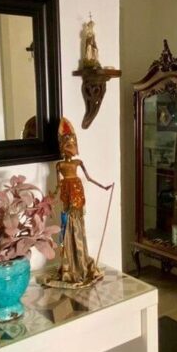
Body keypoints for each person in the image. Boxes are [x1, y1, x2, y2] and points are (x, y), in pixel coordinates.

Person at [48, 117, 111, 287]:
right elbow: (57, 185)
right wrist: (51, 197)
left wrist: (104, 187)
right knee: (67, 223)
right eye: (67, 145)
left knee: (78, 222)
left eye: (72, 144)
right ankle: (71, 261)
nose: (71, 149)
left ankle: (80, 260)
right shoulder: (59, 165)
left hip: (77, 191)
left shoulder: (78, 162)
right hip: (66, 193)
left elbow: (89, 178)